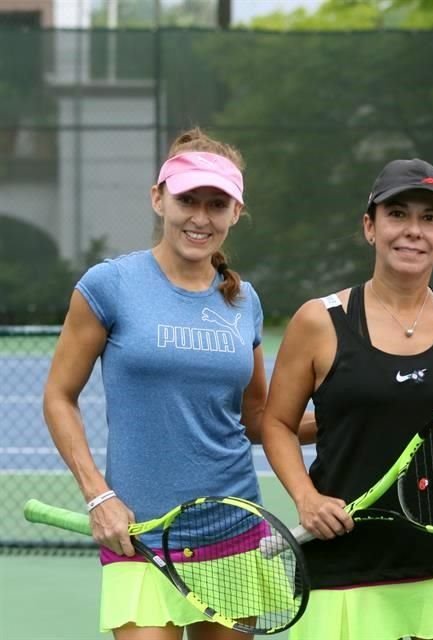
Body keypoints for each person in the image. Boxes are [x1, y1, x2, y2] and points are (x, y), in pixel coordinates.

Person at [260, 158, 433, 640]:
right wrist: (306, 498)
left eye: (430, 218)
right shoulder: (318, 321)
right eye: (397, 214)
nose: (413, 230)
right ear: (370, 227)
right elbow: (277, 423)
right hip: (346, 562)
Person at [43, 128, 267, 640]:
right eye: (188, 199)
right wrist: (99, 497)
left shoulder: (244, 301)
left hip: (231, 531)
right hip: (138, 538)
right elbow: (58, 397)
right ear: (158, 198)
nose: (200, 217)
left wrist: (345, 419)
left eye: (217, 204)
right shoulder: (109, 285)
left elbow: (258, 420)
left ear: (235, 213)